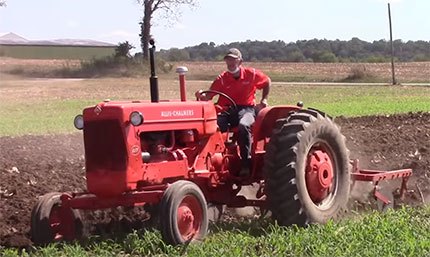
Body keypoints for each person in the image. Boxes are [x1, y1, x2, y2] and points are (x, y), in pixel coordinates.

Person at [199, 48, 271, 175]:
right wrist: (201, 96)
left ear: (240, 61)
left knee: (244, 125)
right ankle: (208, 162)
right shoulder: (222, 79)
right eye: (228, 59)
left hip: (246, 109)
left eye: (233, 59)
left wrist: (264, 99)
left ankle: (246, 163)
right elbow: (209, 96)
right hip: (227, 111)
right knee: (211, 128)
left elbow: (267, 82)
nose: (230, 63)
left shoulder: (252, 74)